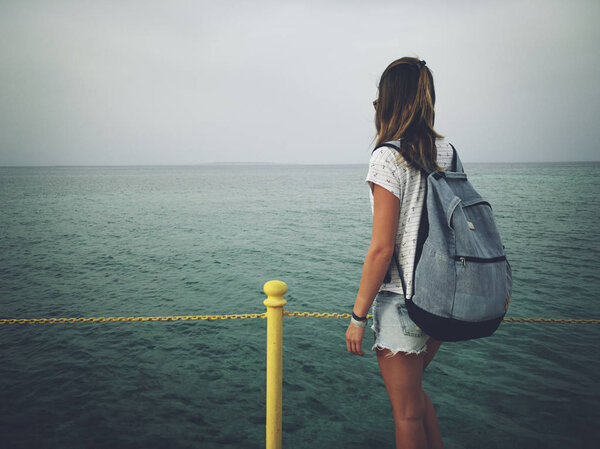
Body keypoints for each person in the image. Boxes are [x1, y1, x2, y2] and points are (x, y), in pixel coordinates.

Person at [345, 57, 454, 449]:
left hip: (402, 300)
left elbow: (382, 248)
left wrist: (358, 317)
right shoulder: (448, 151)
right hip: (443, 300)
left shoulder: (387, 157)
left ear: (389, 102)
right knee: (415, 398)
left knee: (405, 414)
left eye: (379, 100)